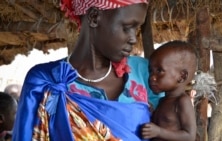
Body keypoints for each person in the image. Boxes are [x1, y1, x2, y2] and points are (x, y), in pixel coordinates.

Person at [12, 0, 163, 141]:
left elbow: (176, 128)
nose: (133, 39)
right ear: (94, 17)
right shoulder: (45, 80)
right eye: (127, 27)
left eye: (136, 29)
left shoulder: (147, 73)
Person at [141, 41, 197, 141]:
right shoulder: (162, 101)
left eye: (159, 71)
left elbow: (189, 136)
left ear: (182, 76)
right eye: (151, 71)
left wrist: (158, 132)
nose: (152, 77)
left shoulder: (182, 101)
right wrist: (152, 113)